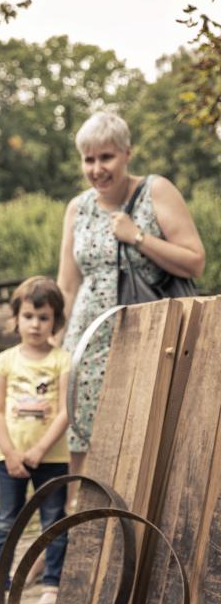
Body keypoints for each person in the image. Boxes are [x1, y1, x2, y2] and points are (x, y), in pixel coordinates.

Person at [57, 111, 205, 474]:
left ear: (127, 153)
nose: (96, 169)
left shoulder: (155, 191)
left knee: (147, 435)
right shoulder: (78, 208)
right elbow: (67, 284)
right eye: (88, 159)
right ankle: (86, 524)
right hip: (88, 338)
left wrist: (137, 237)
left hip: (148, 334)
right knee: (82, 435)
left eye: (105, 157)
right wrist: (56, 351)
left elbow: (194, 261)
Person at [0, 276, 71, 604]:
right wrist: (11, 453)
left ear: (56, 321)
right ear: (16, 318)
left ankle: (52, 583)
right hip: (10, 459)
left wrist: (39, 451)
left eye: (44, 317)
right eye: (29, 316)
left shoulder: (63, 361)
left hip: (51, 458)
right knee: (6, 522)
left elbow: (64, 412)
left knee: (53, 520)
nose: (35, 324)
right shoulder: (5, 361)